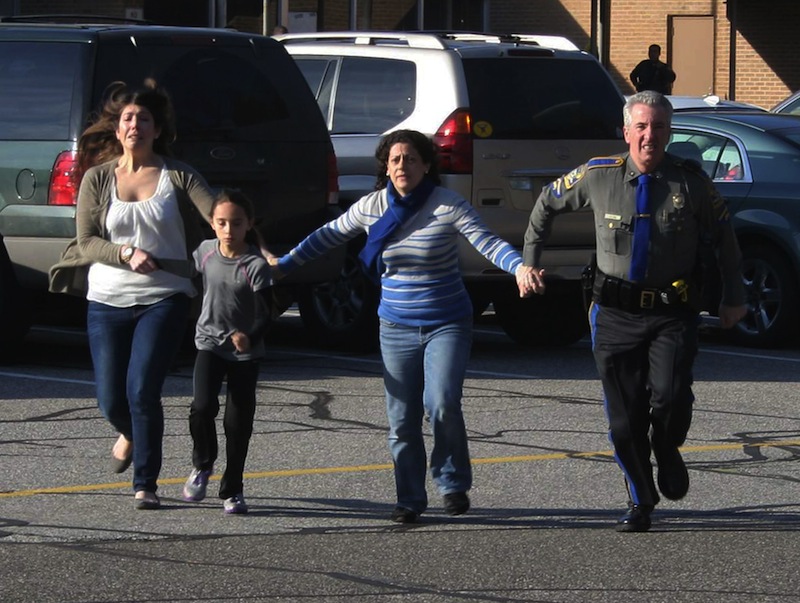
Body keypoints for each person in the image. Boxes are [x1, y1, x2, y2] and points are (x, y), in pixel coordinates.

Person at [271, 129, 534, 523]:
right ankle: (409, 498)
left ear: (426, 165)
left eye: (411, 159)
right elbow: (328, 236)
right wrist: (284, 265)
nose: (402, 166)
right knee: (402, 418)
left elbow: (487, 242)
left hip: (447, 322)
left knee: (442, 402)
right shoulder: (372, 206)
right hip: (395, 325)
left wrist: (519, 267)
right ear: (386, 167)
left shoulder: (447, 205)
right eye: (395, 160)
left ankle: (452, 482)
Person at [520, 91, 747, 532]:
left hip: (671, 312)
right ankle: (640, 498)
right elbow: (547, 202)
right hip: (614, 314)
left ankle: (666, 445)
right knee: (624, 421)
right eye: (641, 127)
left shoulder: (690, 183)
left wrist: (733, 297)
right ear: (625, 132)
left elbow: (726, 240)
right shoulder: (597, 175)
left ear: (670, 132)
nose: (649, 136)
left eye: (658, 127)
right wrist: (530, 260)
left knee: (671, 397)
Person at [49, 80, 216, 510]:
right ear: (118, 129)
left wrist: (242, 239)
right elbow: (86, 241)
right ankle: (127, 433)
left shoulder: (177, 175)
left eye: (144, 119)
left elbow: (216, 213)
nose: (135, 125)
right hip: (106, 301)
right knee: (110, 399)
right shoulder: (98, 178)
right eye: (128, 119)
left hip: (164, 296)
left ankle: (146, 483)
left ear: (157, 129)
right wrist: (125, 252)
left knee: (143, 390)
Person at [182, 190, 273, 515]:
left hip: (245, 355)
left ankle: (233, 488)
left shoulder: (254, 265)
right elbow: (184, 276)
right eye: (221, 223)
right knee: (202, 407)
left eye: (236, 223)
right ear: (212, 223)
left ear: (248, 224)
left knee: (237, 422)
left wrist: (249, 336)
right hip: (209, 342)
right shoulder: (205, 252)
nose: (228, 230)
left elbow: (267, 311)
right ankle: (202, 464)